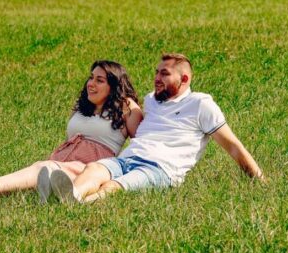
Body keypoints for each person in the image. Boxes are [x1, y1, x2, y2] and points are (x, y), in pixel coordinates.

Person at [45, 53, 264, 205]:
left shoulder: (201, 104)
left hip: (160, 169)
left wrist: (261, 181)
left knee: (112, 187)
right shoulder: (151, 101)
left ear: (185, 79)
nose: (157, 78)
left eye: (165, 74)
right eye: (157, 72)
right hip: (127, 159)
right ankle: (72, 196)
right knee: (94, 169)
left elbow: (233, 146)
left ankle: (81, 206)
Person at [0, 60, 142, 205]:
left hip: (90, 167)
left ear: (114, 86)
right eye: (91, 78)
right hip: (63, 160)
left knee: (42, 168)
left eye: (99, 80)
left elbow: (141, 143)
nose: (91, 83)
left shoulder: (126, 107)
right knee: (30, 187)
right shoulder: (82, 106)